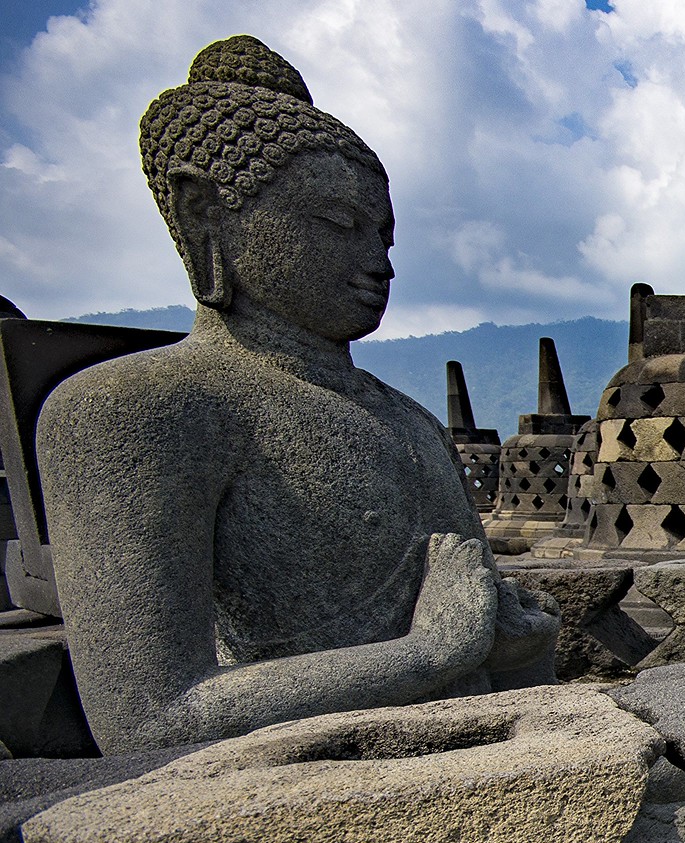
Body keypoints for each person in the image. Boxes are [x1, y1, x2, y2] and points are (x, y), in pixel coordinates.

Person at [37, 35, 557, 752]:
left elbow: (499, 672)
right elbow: (148, 725)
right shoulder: (135, 412)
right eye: (340, 226)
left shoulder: (411, 424)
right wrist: (427, 656)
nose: (378, 263)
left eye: (386, 235)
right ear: (205, 215)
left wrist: (519, 648)